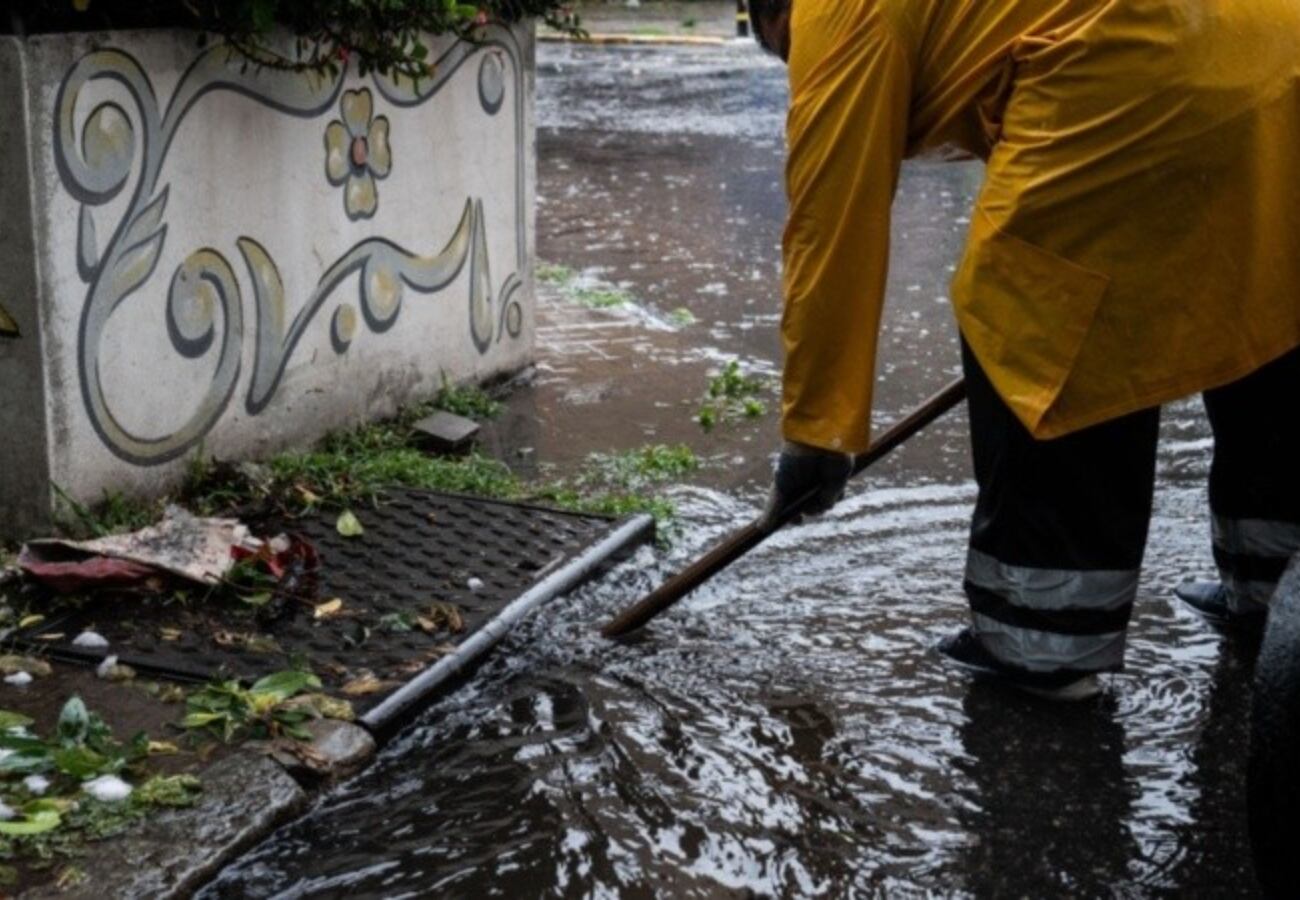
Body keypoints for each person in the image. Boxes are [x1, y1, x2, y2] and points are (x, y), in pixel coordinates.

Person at [756, 0, 1300, 700]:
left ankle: (1042, 643)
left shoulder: (831, 12)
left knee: (1031, 305)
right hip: (1278, 56)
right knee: (1264, 283)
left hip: (1145, 60)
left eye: (785, 51)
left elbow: (831, 225)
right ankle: (1279, 592)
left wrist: (815, 435)